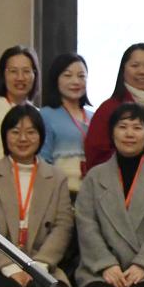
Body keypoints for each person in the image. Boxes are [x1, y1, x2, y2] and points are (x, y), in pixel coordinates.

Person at [0, 105, 73, 287]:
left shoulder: (57, 178)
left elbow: (62, 226)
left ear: (41, 136)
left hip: (41, 262)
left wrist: (39, 266)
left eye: (31, 132)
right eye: (15, 132)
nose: (23, 138)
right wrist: (9, 268)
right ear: (5, 136)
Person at [74, 103, 144, 287]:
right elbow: (87, 225)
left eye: (137, 128)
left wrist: (143, 264)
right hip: (100, 269)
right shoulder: (95, 176)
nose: (129, 134)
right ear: (112, 133)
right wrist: (107, 264)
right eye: (122, 127)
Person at [84, 43, 144, 169]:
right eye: (135, 65)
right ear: (123, 69)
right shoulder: (108, 108)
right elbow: (96, 154)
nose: (142, 71)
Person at [40, 53, 94, 196]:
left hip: (92, 194)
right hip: (60, 193)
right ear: (56, 79)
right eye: (67, 75)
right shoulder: (45, 115)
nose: (75, 81)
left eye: (81, 76)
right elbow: (42, 161)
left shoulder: (94, 117)